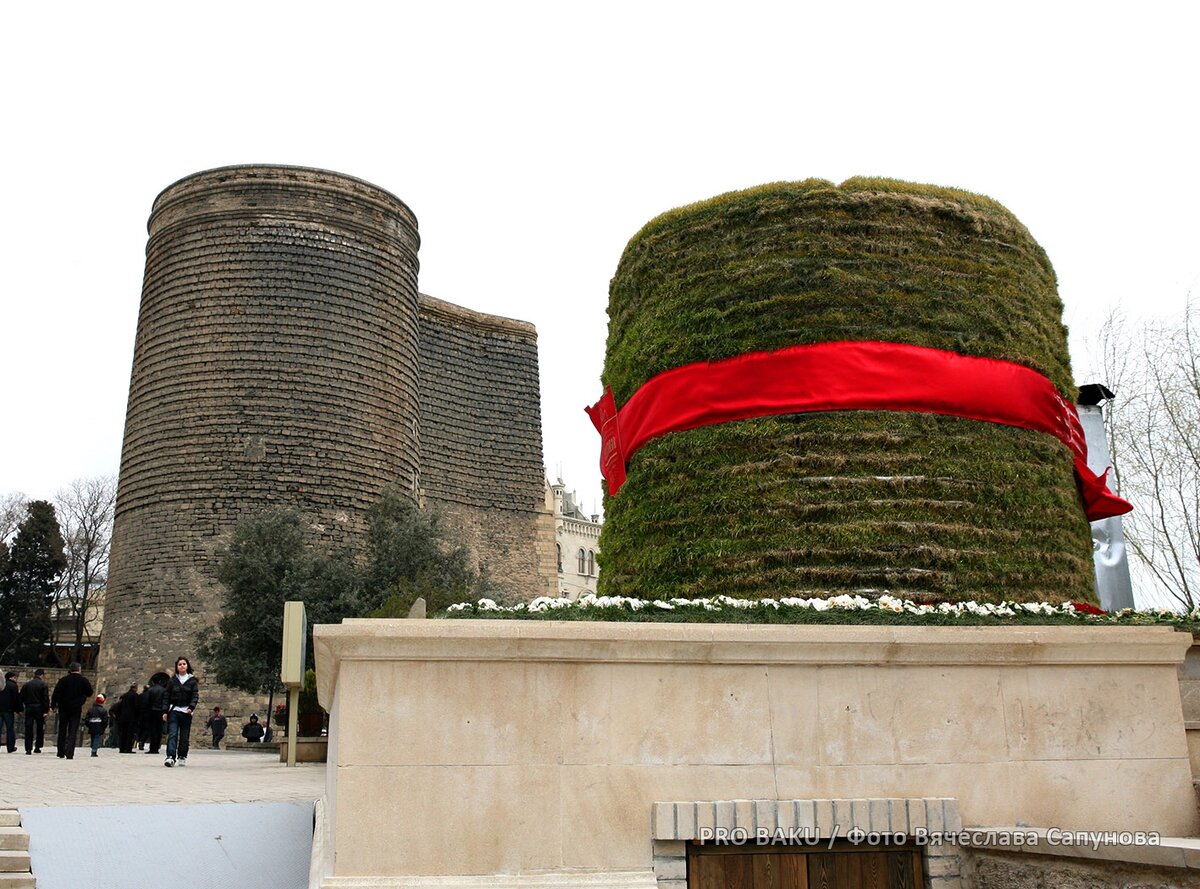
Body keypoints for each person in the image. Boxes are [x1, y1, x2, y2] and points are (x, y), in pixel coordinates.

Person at [50, 662, 93, 760]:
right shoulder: (83, 680)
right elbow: (89, 692)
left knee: (62, 729)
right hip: (76, 708)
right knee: (73, 730)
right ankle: (70, 752)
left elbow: (56, 693)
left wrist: (53, 705)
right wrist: (82, 697)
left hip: (63, 707)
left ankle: (60, 751)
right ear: (79, 669)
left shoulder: (63, 680)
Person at [163, 656, 198, 767]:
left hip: (186, 712)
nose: (182, 666)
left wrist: (191, 707)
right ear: (177, 667)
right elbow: (166, 696)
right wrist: (164, 711)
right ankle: (170, 756)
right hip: (174, 710)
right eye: (180, 664)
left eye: (184, 664)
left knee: (184, 736)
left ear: (187, 666)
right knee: (172, 734)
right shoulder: (173, 681)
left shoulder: (192, 681)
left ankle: (182, 755)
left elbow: (195, 696)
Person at [20, 668, 50, 754]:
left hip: (29, 707)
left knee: (28, 728)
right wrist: (45, 710)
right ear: (42, 675)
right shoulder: (43, 685)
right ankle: (37, 746)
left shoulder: (27, 684)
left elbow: (21, 697)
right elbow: (45, 699)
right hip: (39, 708)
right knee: (40, 728)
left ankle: (28, 748)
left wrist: (20, 709)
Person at [143, 674, 167, 754]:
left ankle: (152, 748)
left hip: (152, 711)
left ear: (153, 681)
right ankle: (156, 747)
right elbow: (165, 701)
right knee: (159, 729)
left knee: (152, 730)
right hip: (160, 711)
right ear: (160, 681)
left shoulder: (150, 690)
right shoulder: (163, 690)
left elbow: (147, 701)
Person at [115, 684, 141, 753]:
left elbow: (118, 706)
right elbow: (137, 707)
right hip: (131, 718)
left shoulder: (124, 696)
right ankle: (128, 748)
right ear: (135, 688)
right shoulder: (135, 696)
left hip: (123, 717)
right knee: (130, 733)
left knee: (123, 733)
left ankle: (122, 748)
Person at [0, 672, 22, 753]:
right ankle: (10, 747)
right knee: (10, 729)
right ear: (12, 677)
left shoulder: (1, 684)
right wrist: (19, 710)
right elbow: (16, 699)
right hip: (8, 710)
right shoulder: (13, 686)